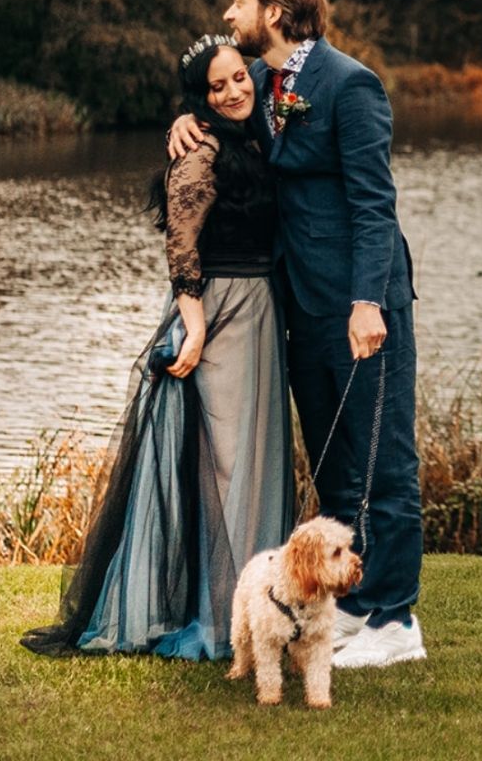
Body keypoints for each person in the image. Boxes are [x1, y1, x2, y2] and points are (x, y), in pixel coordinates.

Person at [170, 0, 422, 670]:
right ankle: (356, 611)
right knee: (338, 466)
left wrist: (368, 301)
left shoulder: (350, 85)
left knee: (382, 464)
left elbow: (375, 204)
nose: (229, 16)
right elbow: (209, 98)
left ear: (274, 13)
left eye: (240, 2)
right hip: (302, 308)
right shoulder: (262, 80)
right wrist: (180, 128)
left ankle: (396, 620)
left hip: (360, 308)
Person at [22, 37, 295, 659]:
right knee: (224, 464)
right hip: (222, 313)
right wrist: (194, 325)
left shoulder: (252, 134)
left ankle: (258, 615)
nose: (232, 91)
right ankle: (218, 620)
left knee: (256, 460)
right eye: (217, 86)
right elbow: (182, 245)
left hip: (260, 313)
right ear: (198, 98)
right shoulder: (198, 149)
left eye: (237, 79)